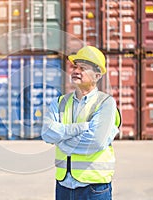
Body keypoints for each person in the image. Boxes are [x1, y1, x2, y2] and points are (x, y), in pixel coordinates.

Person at [41, 46, 120, 200]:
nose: (76, 71)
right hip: (63, 186)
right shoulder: (60, 102)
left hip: (93, 188)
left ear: (97, 75)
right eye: (75, 67)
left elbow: (96, 142)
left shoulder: (105, 103)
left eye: (83, 68)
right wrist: (81, 128)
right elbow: (47, 133)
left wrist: (62, 141)